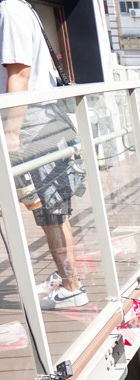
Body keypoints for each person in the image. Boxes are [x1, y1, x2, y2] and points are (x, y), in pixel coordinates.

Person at [1, 0, 86, 309]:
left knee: (51, 213)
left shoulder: (10, 11)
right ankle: (67, 279)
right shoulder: (19, 8)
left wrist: (10, 133)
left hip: (34, 130)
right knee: (49, 211)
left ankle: (71, 287)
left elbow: (20, 74)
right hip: (40, 126)